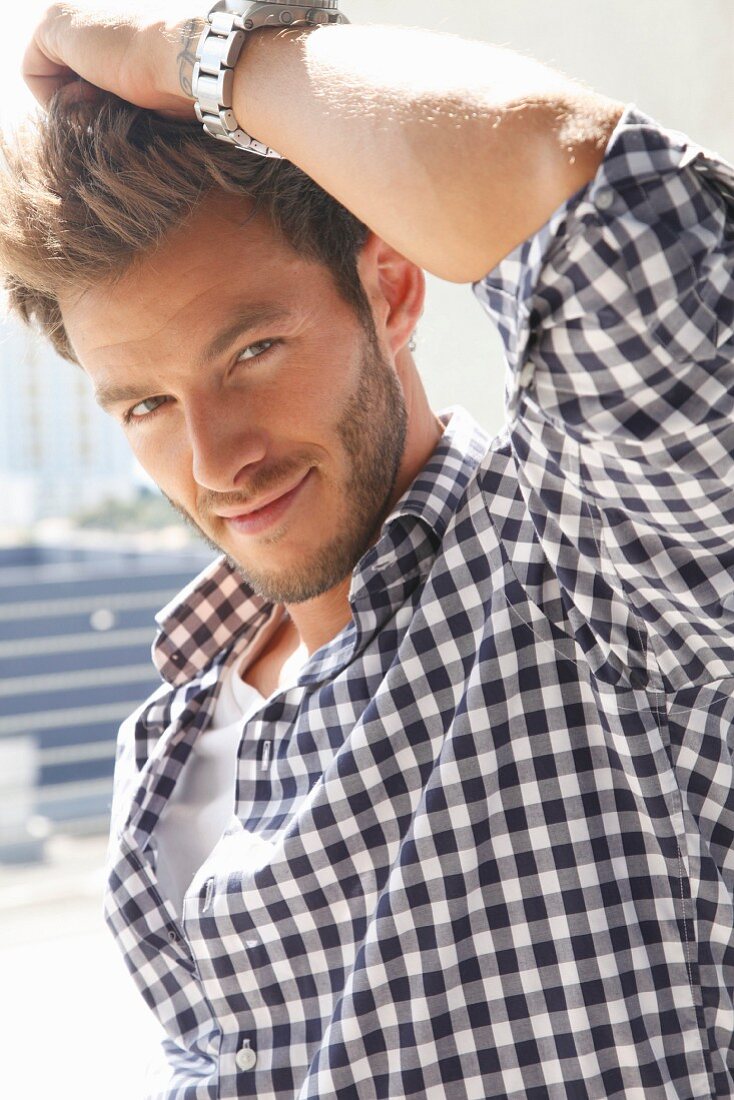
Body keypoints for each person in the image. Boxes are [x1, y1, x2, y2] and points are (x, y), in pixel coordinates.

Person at [5, 2, 734, 1096]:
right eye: (147, 403)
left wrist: (201, 53)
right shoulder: (165, 744)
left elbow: (597, 204)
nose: (215, 458)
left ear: (389, 291)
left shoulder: (592, 570)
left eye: (252, 350)